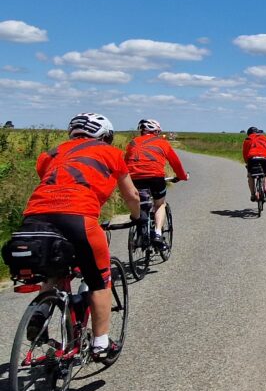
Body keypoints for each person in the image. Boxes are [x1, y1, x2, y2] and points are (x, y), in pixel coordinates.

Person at [21, 113, 142, 360]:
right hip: (80, 218)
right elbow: (132, 196)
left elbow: (52, 183)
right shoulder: (111, 152)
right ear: (105, 136)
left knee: (54, 269)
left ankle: (40, 312)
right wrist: (137, 217)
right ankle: (100, 343)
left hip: (34, 218)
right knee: (100, 281)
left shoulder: (51, 153)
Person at [125, 119, 188, 248]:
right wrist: (182, 176)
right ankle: (158, 234)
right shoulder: (162, 143)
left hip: (133, 178)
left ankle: (140, 232)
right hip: (155, 178)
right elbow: (175, 162)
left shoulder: (131, 143)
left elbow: (126, 163)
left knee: (140, 203)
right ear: (157, 131)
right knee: (160, 204)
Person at [242, 126, 266, 202]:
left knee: (250, 176)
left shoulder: (247, 139)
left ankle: (253, 194)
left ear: (248, 134)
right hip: (265, 157)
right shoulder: (263, 138)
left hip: (252, 158)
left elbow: (245, 153)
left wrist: (247, 162)